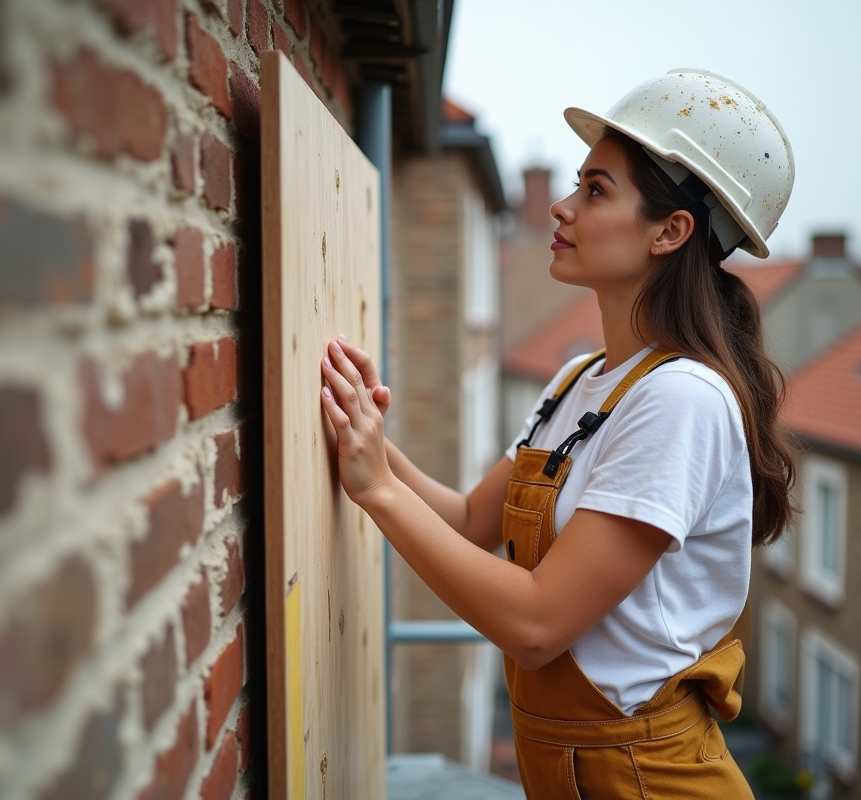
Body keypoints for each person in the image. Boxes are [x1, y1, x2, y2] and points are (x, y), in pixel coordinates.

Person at [319, 69, 796, 799]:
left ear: (671, 231)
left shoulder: (682, 400)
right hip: (571, 770)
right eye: (577, 184)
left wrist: (377, 490)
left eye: (597, 191)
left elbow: (539, 623)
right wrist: (373, 443)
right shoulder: (577, 381)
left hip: (650, 778)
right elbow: (472, 523)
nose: (564, 207)